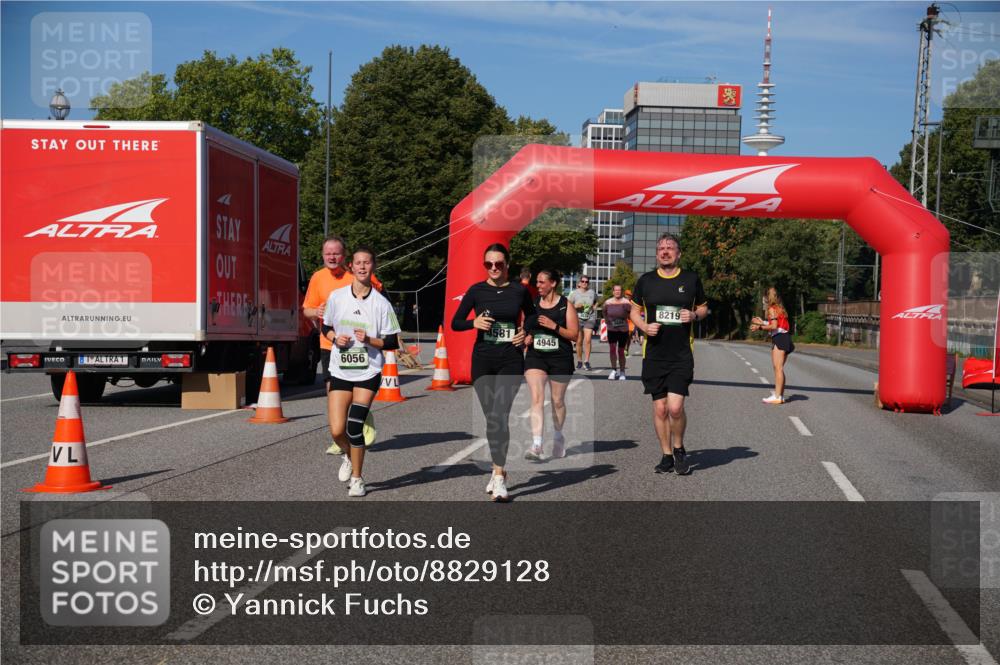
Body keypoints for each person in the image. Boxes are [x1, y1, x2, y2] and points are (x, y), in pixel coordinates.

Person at [451, 243, 534, 502]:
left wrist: (526, 333)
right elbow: (454, 322)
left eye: (499, 263)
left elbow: (531, 316)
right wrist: (473, 322)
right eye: (489, 264)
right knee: (492, 420)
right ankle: (499, 468)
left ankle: (498, 476)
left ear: (507, 265)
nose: (494, 268)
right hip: (483, 360)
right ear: (484, 266)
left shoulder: (520, 291)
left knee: (500, 416)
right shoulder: (477, 291)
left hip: (510, 360)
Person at [322, 247, 400, 497]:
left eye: (367, 263)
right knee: (337, 430)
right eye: (358, 263)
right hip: (341, 369)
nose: (363, 267)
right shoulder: (337, 297)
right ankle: (347, 454)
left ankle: (357, 478)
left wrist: (369, 339)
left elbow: (391, 342)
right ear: (351, 267)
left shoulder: (382, 303)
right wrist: (336, 339)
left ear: (373, 266)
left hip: (368, 372)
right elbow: (325, 328)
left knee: (354, 426)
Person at [630, 233, 708, 476]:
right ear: (656, 254)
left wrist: (694, 316)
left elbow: (704, 308)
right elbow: (634, 311)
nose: (665, 252)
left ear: (678, 253)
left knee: (675, 408)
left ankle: (679, 449)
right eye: (661, 248)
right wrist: (643, 327)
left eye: (670, 248)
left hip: (681, 353)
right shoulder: (646, 281)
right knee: (660, 409)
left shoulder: (691, 279)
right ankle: (666, 454)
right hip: (653, 354)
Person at [303, 236, 382, 456]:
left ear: (344, 256)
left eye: (336, 253)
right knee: (334, 393)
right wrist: (316, 312)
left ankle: (361, 419)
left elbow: (377, 296)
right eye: (328, 253)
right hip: (329, 343)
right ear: (322, 255)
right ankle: (341, 438)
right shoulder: (318, 278)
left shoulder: (356, 274)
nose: (331, 257)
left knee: (357, 392)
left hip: (359, 346)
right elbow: (306, 310)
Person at [522, 269, 579, 460]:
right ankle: (537, 444)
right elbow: (526, 327)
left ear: (553, 283)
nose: (537, 286)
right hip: (536, 357)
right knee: (537, 397)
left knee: (557, 401)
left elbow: (574, 335)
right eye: (536, 282)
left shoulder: (565, 305)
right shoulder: (533, 304)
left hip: (560, 358)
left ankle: (558, 436)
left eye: (541, 282)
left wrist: (554, 326)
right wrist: (527, 337)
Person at [751, 287, 794, 405]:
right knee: (778, 368)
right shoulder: (779, 308)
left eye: (764, 298)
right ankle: (779, 395)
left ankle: (777, 396)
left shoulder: (771, 309)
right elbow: (777, 324)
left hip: (780, 338)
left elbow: (774, 326)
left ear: (767, 297)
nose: (763, 300)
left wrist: (759, 327)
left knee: (778, 368)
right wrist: (762, 322)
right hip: (784, 338)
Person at [567, 275, 597, 371]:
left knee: (587, 340)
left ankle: (587, 361)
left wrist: (594, 306)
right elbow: (568, 305)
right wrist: (575, 306)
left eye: (587, 282)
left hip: (589, 318)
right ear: (579, 283)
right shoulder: (574, 293)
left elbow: (597, 301)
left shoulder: (592, 292)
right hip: (577, 318)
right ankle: (579, 361)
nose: (585, 283)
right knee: (579, 341)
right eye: (583, 281)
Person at [603, 284, 631, 381]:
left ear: (621, 291)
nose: (617, 292)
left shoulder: (626, 302)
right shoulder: (608, 302)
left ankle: (622, 372)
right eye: (616, 290)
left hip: (623, 330)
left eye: (619, 290)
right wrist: (607, 321)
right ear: (613, 292)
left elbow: (631, 314)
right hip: (612, 329)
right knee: (612, 349)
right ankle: (614, 370)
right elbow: (604, 312)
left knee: (621, 351)